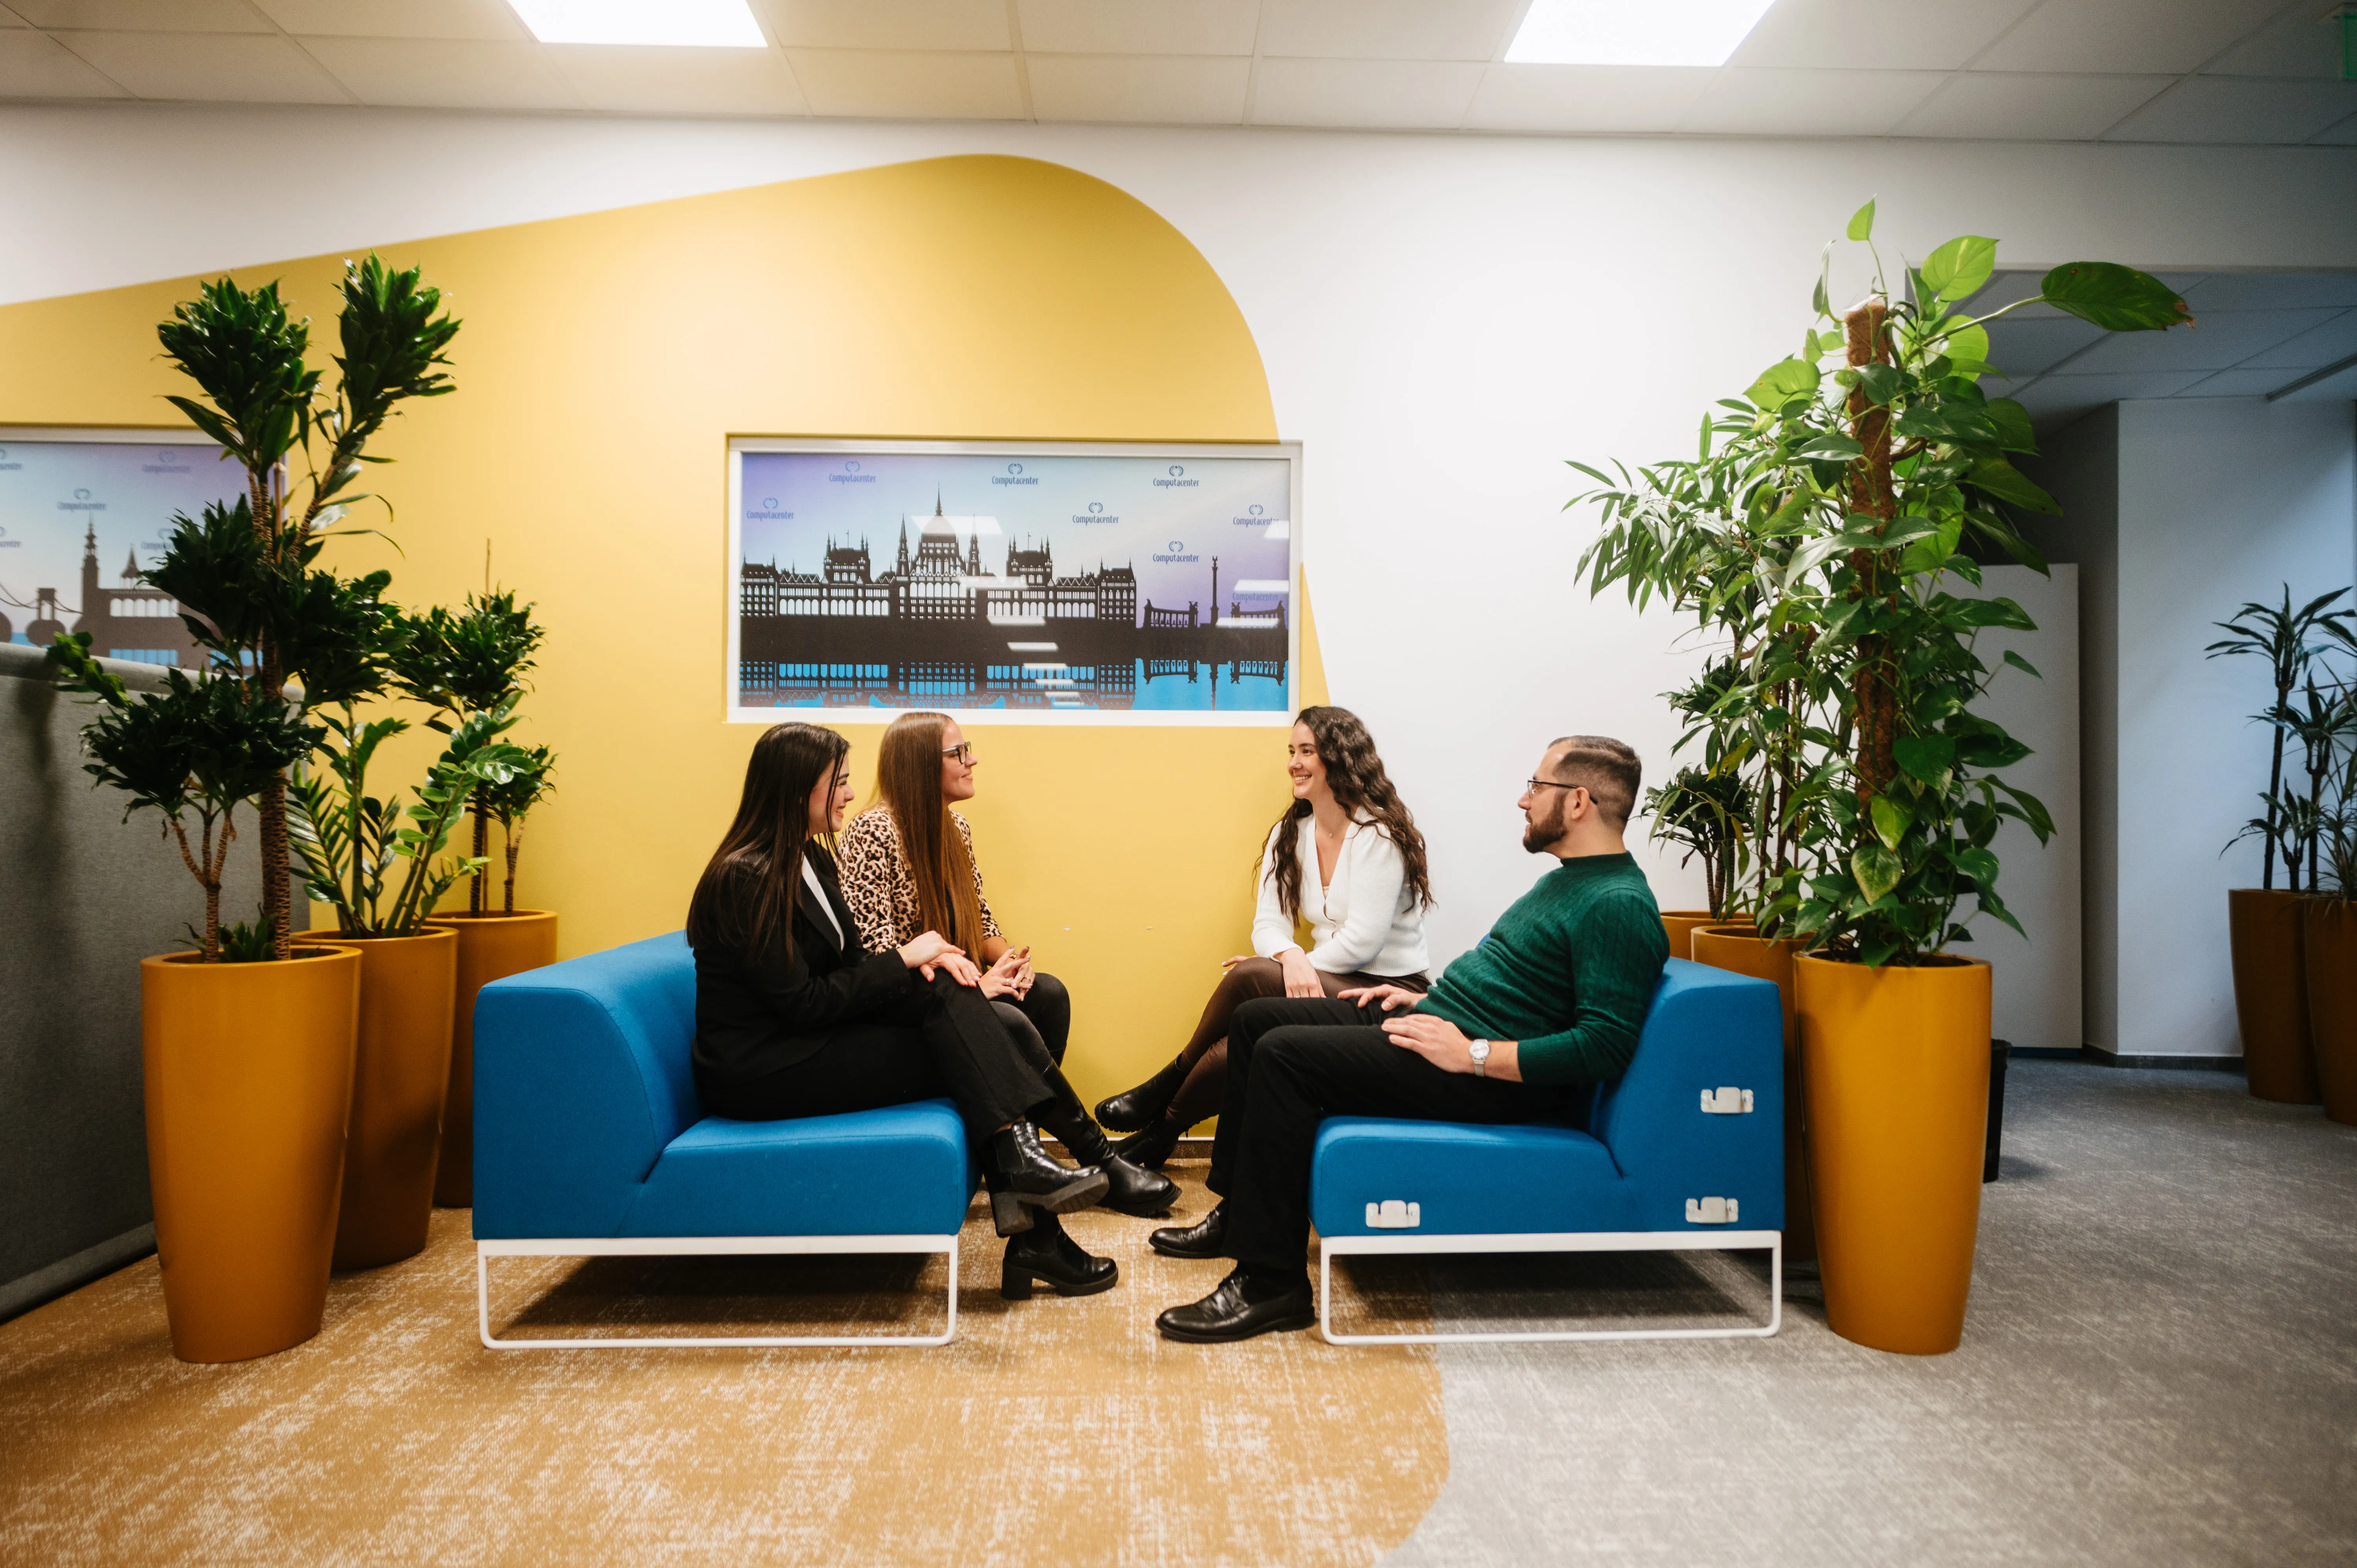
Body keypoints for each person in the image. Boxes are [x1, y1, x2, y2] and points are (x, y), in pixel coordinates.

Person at [1150, 735, 1672, 1343]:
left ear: (1579, 802)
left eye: (1537, 786)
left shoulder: (1617, 904)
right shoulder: (1569, 881)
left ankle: (1273, 1285)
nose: (1523, 800)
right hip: (1445, 1029)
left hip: (1488, 1079)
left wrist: (1471, 1055)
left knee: (1283, 1057)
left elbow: (1603, 1047)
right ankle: (1241, 1211)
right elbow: (1526, 989)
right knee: (1258, 1017)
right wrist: (1427, 1001)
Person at [687, 720, 1124, 1301]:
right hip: (760, 1069)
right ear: (798, 792)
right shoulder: (746, 876)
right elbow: (802, 1003)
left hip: (808, 1041)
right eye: (837, 783)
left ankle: (1030, 1180)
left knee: (958, 1001)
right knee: (974, 1032)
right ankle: (1050, 1182)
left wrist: (926, 962)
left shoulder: (812, 862)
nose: (848, 792)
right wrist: (906, 958)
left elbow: (839, 977)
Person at [836, 710, 1178, 1219]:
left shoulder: (956, 828)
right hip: (911, 1005)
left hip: (956, 987)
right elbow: (877, 955)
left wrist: (1010, 961)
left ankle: (1028, 1155)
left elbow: (981, 920)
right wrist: (978, 985)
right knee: (1010, 1019)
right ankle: (1099, 1161)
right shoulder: (872, 832)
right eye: (958, 753)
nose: (971, 760)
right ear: (919, 766)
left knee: (1048, 993)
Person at [1094, 705, 1434, 1169]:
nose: (1294, 762)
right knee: (1243, 1038)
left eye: (1307, 751)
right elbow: (1267, 925)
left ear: (1340, 757)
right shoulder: (1290, 832)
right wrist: (1289, 956)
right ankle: (1162, 1133)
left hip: (1388, 993)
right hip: (1331, 985)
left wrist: (1289, 964)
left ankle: (1164, 1089)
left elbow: (1362, 943)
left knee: (1254, 975)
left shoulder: (1379, 835)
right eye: (1292, 751)